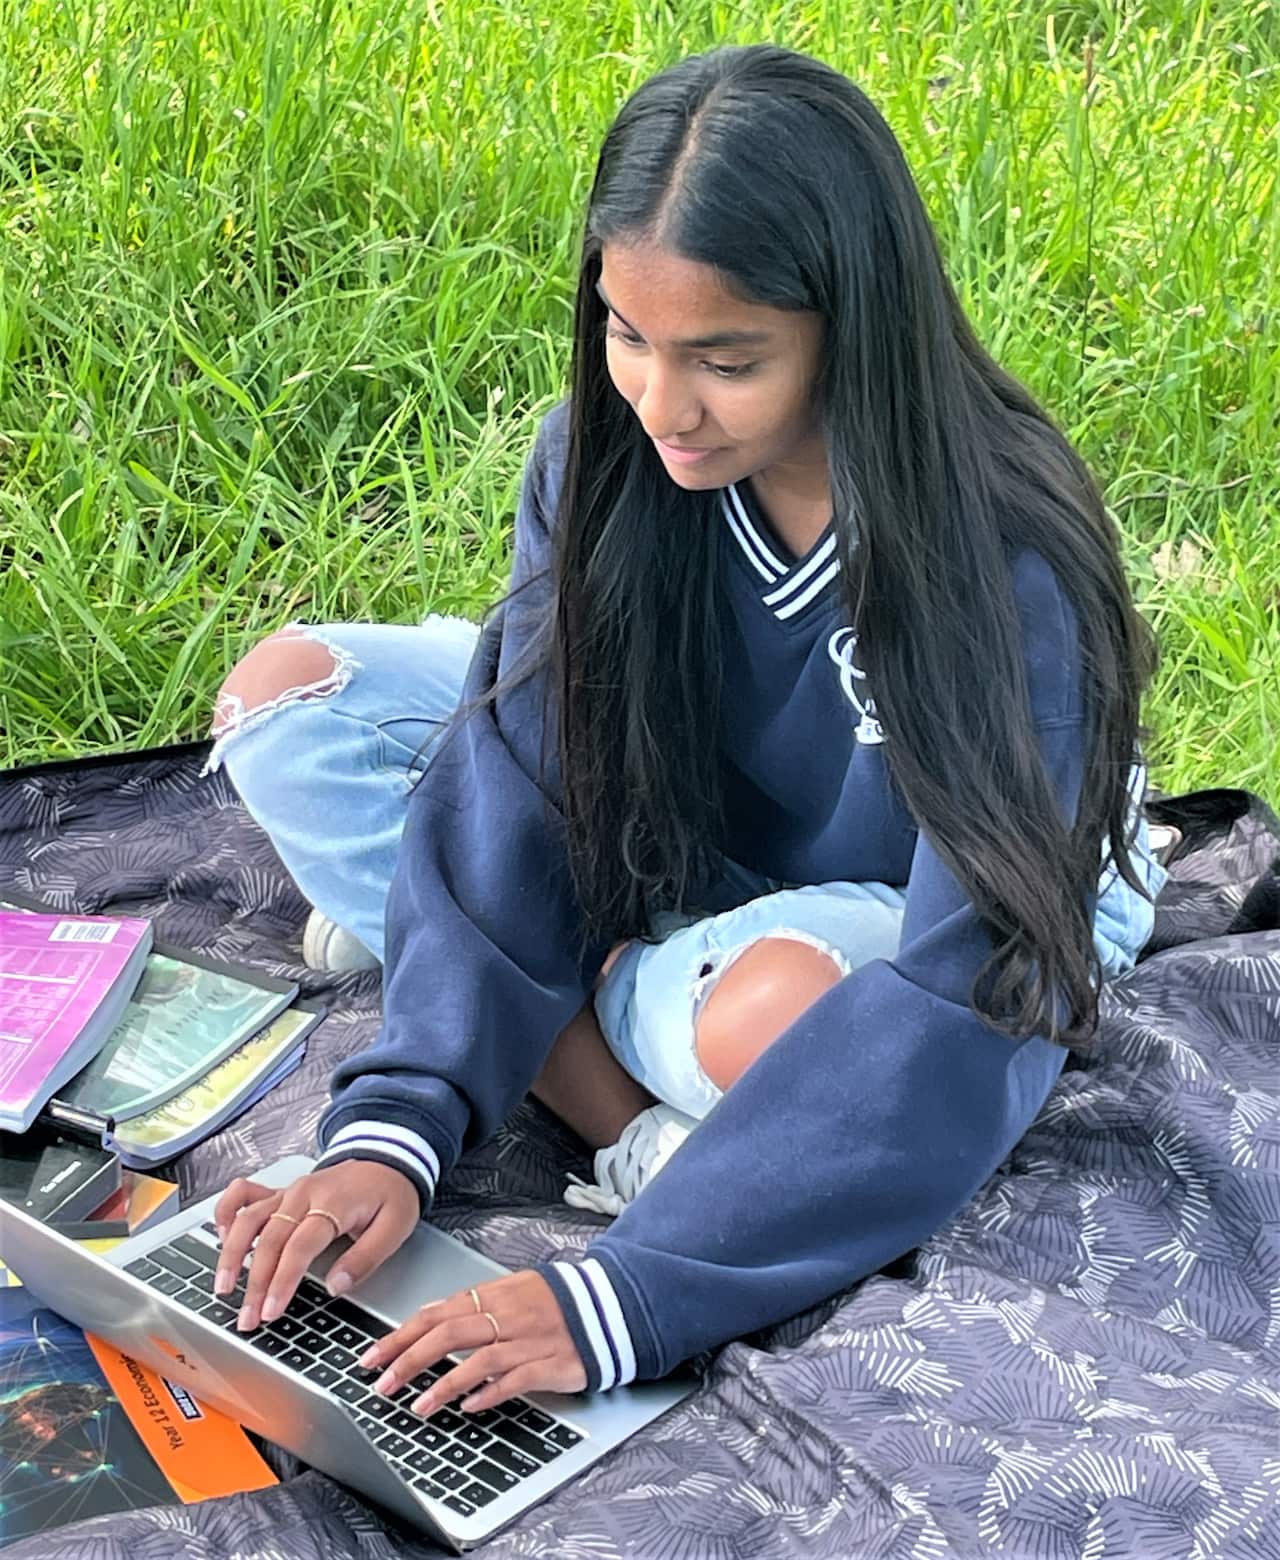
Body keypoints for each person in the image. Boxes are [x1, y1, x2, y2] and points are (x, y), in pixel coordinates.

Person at [201, 43, 1169, 1417]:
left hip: (939, 877)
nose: (660, 404)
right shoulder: (607, 452)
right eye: (627, 334)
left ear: (853, 326)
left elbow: (977, 982)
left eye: (726, 360)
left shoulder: (999, 556)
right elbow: (523, 759)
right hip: (691, 824)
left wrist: (632, 1296)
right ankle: (547, 980)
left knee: (775, 1014)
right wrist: (394, 1125)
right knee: (289, 707)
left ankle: (611, 1098)